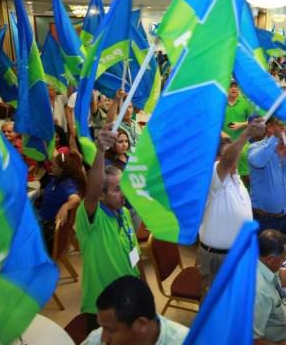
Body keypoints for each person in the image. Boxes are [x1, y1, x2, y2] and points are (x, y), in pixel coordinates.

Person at [76, 124, 145, 328]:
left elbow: (135, 254)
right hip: (103, 308)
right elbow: (92, 192)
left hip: (129, 298)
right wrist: (100, 151)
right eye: (117, 189)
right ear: (102, 195)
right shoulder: (92, 217)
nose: (123, 193)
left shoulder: (123, 213)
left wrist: (144, 287)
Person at [198, 119, 265, 288]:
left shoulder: (235, 177)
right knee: (217, 305)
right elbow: (226, 162)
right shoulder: (211, 174)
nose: (233, 144)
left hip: (239, 253)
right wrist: (247, 133)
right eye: (227, 143)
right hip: (219, 258)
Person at [81, 276, 188, 345]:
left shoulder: (188, 341)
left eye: (110, 330)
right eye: (102, 327)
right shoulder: (95, 340)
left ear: (141, 325)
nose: (103, 338)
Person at [38, 151, 86, 254]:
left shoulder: (66, 184)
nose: (51, 167)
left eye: (54, 166)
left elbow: (75, 199)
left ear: (62, 170)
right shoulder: (57, 179)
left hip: (46, 226)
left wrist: (65, 206)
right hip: (43, 218)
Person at [222, 79, 254, 185]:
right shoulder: (220, 104)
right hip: (225, 147)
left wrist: (242, 124)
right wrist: (222, 134)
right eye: (231, 86)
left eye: (235, 86)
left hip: (243, 146)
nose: (233, 88)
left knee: (246, 175)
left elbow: (254, 120)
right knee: (227, 175)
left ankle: (248, 198)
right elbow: (215, 123)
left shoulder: (245, 103)